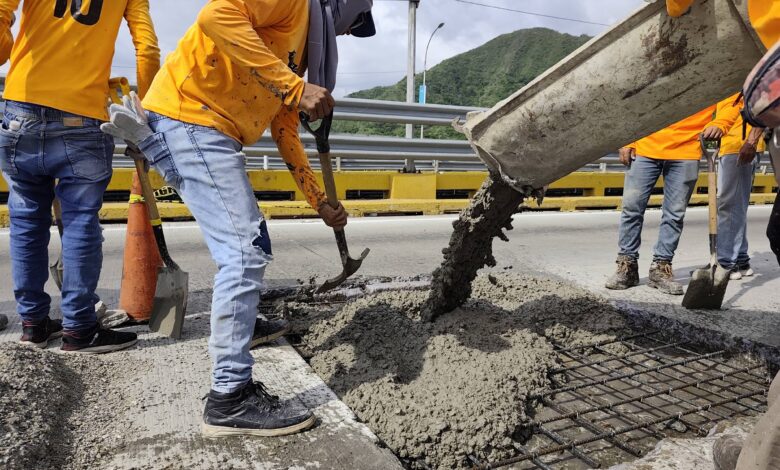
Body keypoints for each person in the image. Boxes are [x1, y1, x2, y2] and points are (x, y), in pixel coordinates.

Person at [102, 0, 376, 437]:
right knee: (244, 254)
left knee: (250, 241)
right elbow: (216, 15)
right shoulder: (293, 4)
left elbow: (285, 128)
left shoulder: (300, 50)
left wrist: (319, 200)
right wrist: (294, 86)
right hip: (192, 119)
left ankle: (241, 325)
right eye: (351, 25)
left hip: (203, 130)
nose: (343, 35)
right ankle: (229, 399)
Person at [0, 1, 159, 352]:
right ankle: (79, 328)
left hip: (20, 109)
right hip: (83, 117)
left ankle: (33, 324)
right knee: (80, 221)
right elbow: (147, 48)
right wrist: (145, 114)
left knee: (26, 219)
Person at [606, 106, 730, 294]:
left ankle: (661, 268)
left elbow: (731, 101)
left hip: (686, 149)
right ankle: (627, 266)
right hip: (644, 147)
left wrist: (721, 123)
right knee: (632, 209)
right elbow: (635, 101)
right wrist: (627, 139)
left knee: (674, 214)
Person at [703, 93, 766, 280]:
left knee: (729, 206)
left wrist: (751, 142)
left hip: (740, 145)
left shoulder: (744, 79)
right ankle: (740, 259)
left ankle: (725, 263)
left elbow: (764, 106)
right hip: (730, 144)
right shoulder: (724, 85)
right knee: (736, 205)